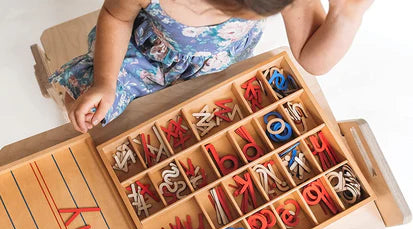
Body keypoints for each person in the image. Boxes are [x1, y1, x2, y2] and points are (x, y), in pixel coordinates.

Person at [50, 0, 373, 133]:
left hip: (213, 71)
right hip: (141, 56)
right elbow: (115, 16)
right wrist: (105, 81)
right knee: (95, 111)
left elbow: (311, 60)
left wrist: (348, 14)